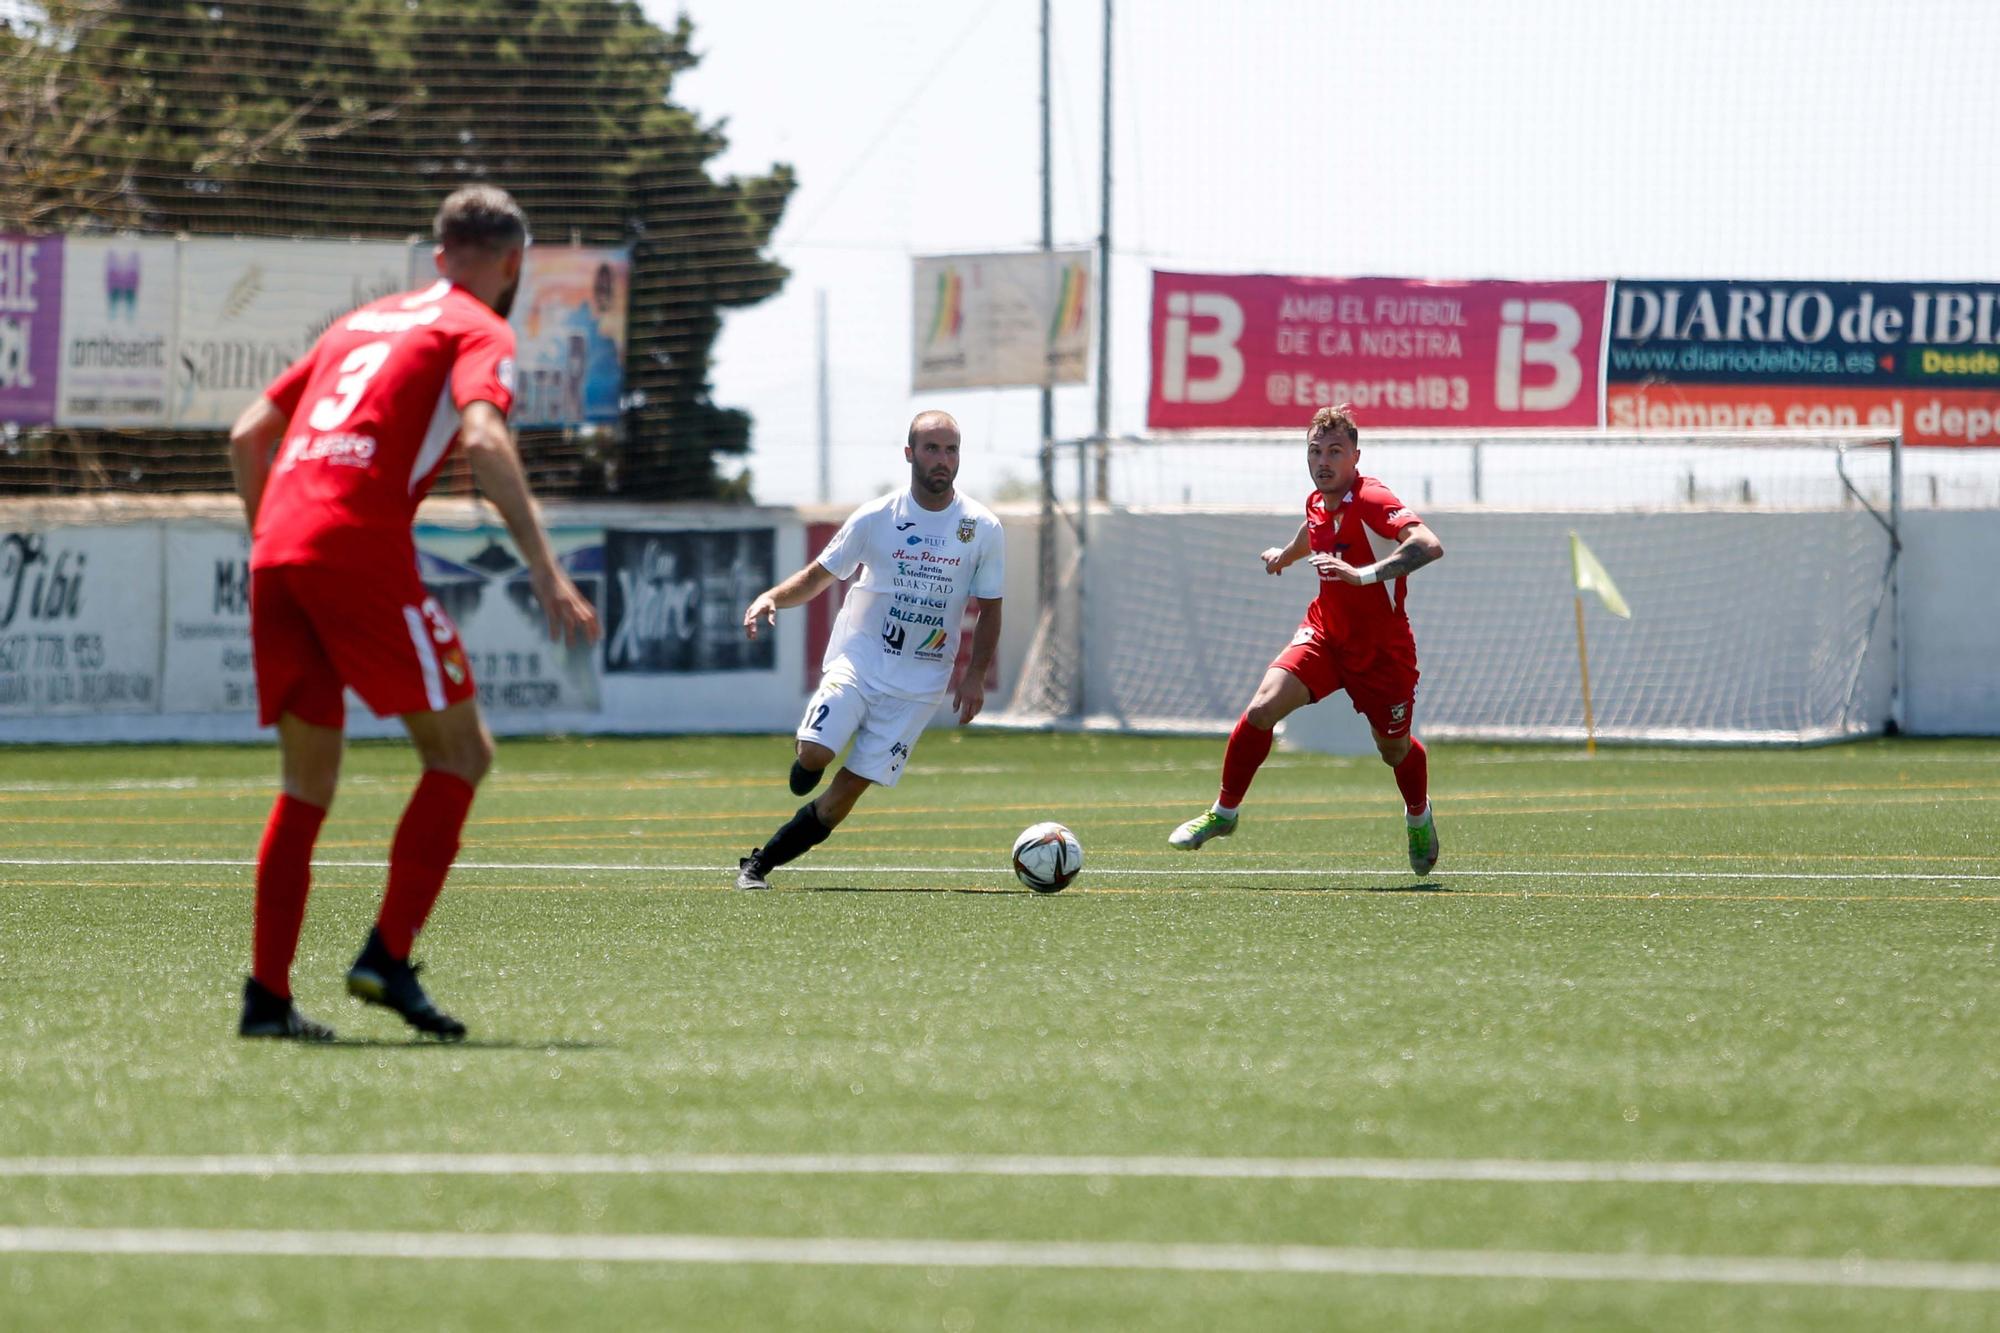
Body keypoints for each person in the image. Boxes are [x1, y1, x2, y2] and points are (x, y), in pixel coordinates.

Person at [226, 185, 600, 1041]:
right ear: (513, 264)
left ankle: (267, 1000)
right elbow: (484, 437)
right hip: (352, 546)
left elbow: (249, 433)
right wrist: (544, 568)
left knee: (306, 784)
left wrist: (276, 543)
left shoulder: (362, 320)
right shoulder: (479, 325)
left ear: (439, 253)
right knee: (463, 751)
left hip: (277, 550)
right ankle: (387, 958)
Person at [1168, 405, 1445, 874]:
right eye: (1315, 451)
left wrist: (1362, 576)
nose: (1323, 460)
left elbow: (1428, 544)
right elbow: (1312, 529)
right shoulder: (1318, 501)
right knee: (1260, 710)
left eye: (1335, 451)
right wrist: (1287, 555)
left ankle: (1418, 814)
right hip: (1324, 635)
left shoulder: (1373, 498)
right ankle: (1224, 813)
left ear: (1356, 456)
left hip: (1381, 653)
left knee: (1392, 749)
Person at [736, 410, 1003, 889]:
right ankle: (805, 761)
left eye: (951, 449)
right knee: (816, 755)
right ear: (909, 454)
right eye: (931, 448)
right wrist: (772, 597)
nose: (942, 460)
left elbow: (989, 607)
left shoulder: (982, 528)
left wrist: (976, 673)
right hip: (861, 660)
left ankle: (759, 865)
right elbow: (820, 575)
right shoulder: (878, 516)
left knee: (846, 794)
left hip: (920, 684)